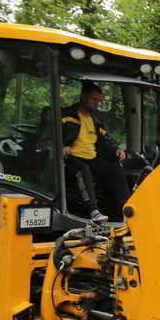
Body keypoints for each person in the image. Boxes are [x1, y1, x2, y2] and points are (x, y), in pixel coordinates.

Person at [61, 82, 129, 221]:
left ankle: (127, 210)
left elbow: (107, 142)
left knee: (115, 170)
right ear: (83, 97)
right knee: (83, 169)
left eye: (99, 100)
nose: (97, 103)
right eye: (94, 99)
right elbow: (51, 137)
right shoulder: (65, 115)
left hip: (91, 158)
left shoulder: (97, 121)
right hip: (69, 158)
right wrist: (61, 147)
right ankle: (93, 211)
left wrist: (116, 150)